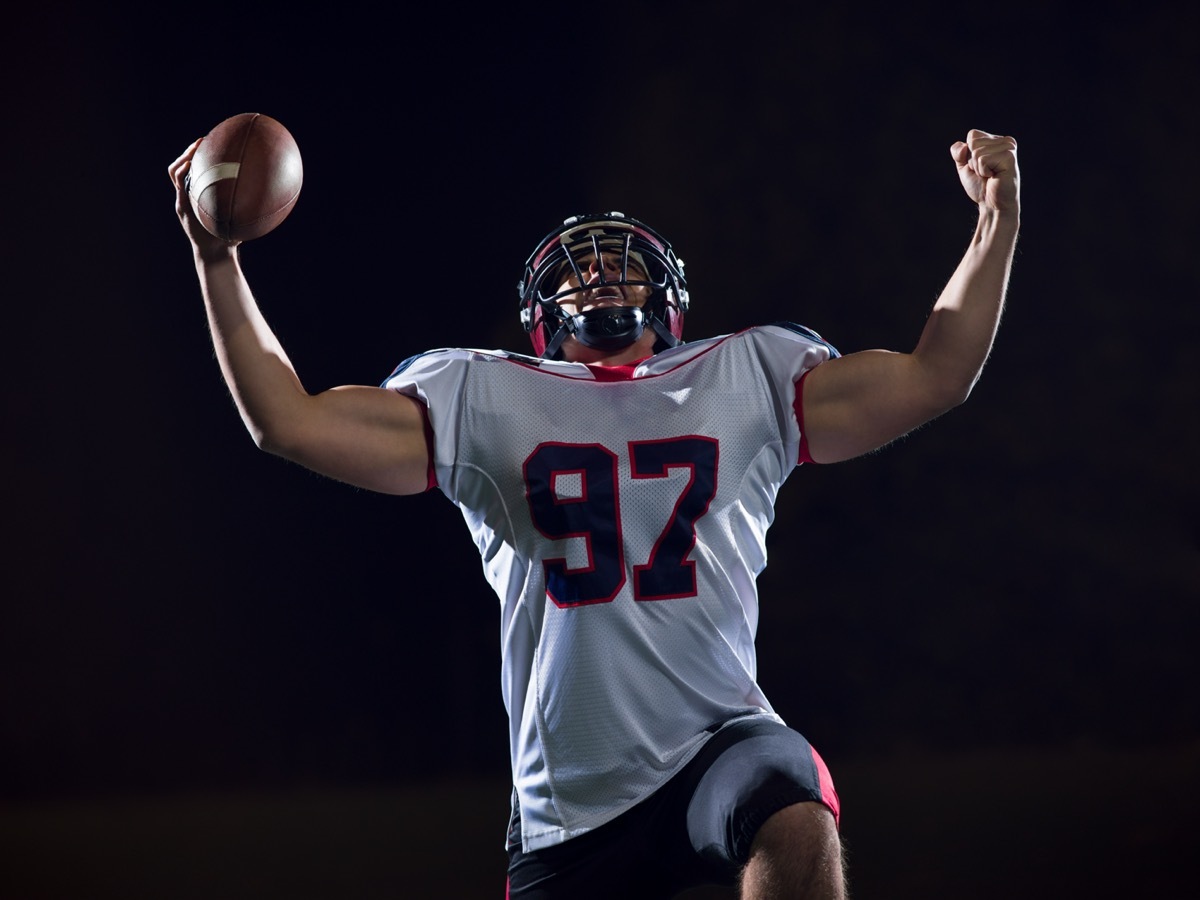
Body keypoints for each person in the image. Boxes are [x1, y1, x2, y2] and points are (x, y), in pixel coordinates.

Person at [169, 128, 1020, 899]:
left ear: (670, 300)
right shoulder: (481, 392)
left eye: (624, 265)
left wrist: (996, 222)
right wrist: (217, 263)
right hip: (568, 805)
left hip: (717, 742)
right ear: (542, 317)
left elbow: (934, 375)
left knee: (795, 813)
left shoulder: (748, 375)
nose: (602, 274)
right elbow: (286, 420)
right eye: (578, 269)